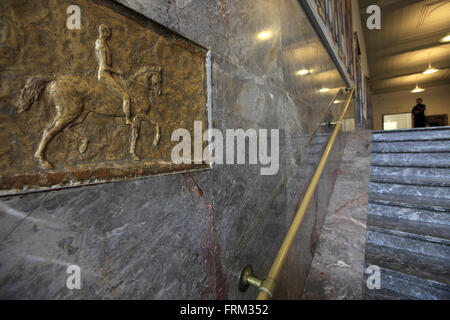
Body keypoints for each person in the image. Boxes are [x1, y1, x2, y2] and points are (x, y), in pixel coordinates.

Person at [95, 24, 134, 127]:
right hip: (105, 75)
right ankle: (128, 119)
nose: (110, 34)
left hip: (108, 74)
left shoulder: (102, 43)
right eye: (108, 32)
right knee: (126, 97)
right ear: (103, 32)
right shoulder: (101, 45)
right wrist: (118, 72)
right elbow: (104, 66)